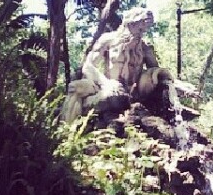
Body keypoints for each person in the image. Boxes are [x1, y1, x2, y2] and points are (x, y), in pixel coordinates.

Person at [62, 8, 196, 122]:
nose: (141, 33)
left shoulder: (145, 48)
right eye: (140, 28)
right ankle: (68, 134)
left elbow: (158, 77)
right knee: (75, 87)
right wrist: (105, 83)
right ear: (130, 23)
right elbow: (88, 66)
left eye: (144, 30)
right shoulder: (108, 40)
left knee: (120, 97)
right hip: (106, 87)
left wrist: (178, 85)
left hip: (133, 95)